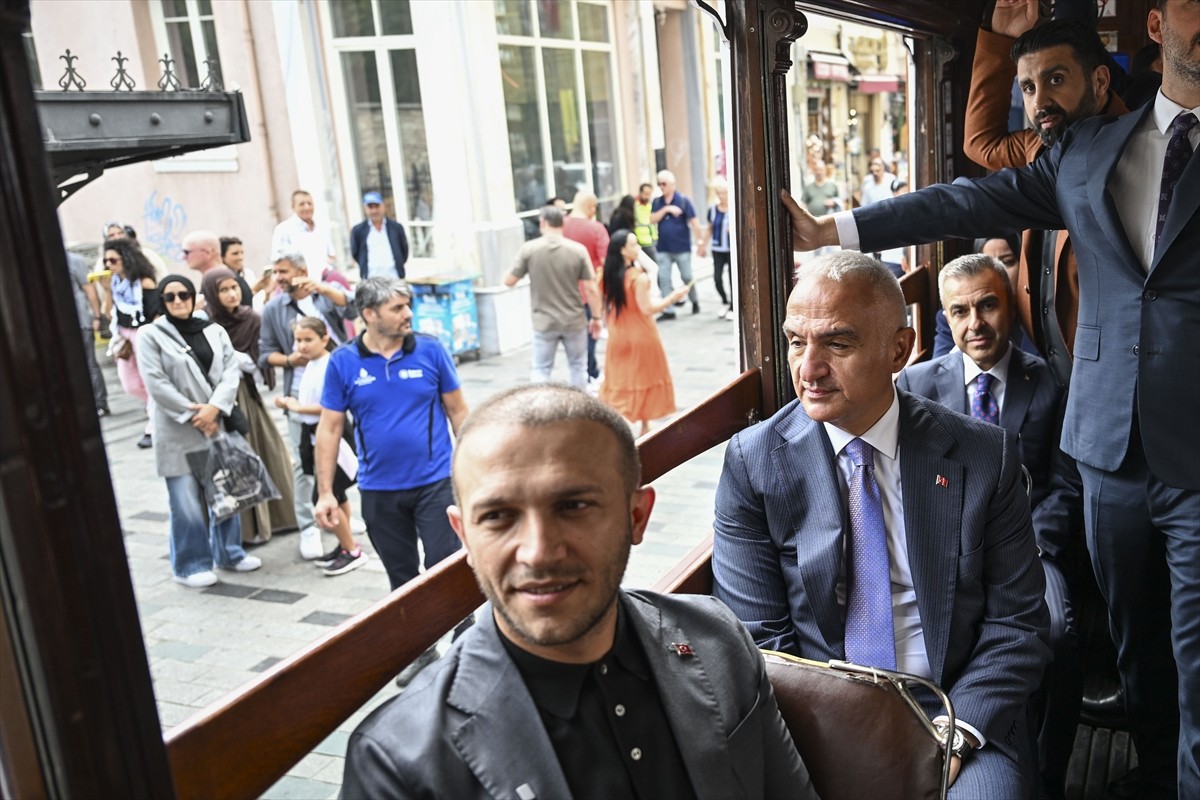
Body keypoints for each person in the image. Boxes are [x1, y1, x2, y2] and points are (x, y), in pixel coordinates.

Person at [781, 5, 1199, 794]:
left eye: (1055, 81)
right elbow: (963, 203)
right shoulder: (1084, 152)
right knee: (1135, 645)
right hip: (1106, 449)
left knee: (1198, 656)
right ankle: (1151, 769)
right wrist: (833, 230)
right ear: (1156, 22)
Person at [340, 384, 816, 800]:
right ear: (464, 537)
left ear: (636, 516)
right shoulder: (400, 758)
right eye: (498, 517)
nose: (539, 552)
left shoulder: (715, 640)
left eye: (573, 506)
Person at [712, 253, 1050, 798]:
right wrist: (845, 738)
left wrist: (953, 734)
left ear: (899, 349)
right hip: (816, 718)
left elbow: (1017, 624)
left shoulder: (984, 456)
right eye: (797, 341)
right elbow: (756, 639)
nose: (808, 369)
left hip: (955, 709)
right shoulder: (756, 462)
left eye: (837, 344)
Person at [897, 254, 1084, 798]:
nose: (974, 323)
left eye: (987, 305)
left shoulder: (1048, 381)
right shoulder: (914, 385)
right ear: (945, 319)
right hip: (938, 553)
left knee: (1057, 631)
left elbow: (1063, 486)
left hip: (1029, 547)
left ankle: (1050, 771)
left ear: (1009, 307)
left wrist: (1033, 547)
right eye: (959, 311)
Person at [964, 7, 1129, 387]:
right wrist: (999, 37)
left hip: (1109, 376)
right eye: (1029, 88)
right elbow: (980, 143)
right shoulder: (1037, 145)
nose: (1040, 102)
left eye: (1056, 79)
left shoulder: (1137, 149)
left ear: (1100, 81)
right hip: (1047, 369)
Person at [315, 276, 469, 683]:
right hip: (379, 490)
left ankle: (468, 646)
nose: (407, 315)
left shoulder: (431, 351)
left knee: (446, 566)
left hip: (436, 482)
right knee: (401, 577)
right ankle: (419, 648)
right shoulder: (344, 362)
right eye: (397, 308)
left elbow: (459, 413)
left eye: (407, 306)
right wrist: (327, 492)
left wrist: (473, 471)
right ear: (369, 314)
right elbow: (329, 428)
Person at [135, 275, 262, 588]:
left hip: (215, 423)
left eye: (184, 295)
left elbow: (231, 371)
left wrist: (215, 408)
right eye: (170, 297)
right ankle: (190, 564)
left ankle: (229, 552)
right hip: (179, 429)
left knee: (226, 490)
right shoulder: (151, 335)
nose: (178, 301)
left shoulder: (213, 329)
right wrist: (195, 413)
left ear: (193, 297)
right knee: (185, 501)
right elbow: (156, 381)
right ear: (161, 302)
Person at [257, 251, 356, 561]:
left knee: (342, 463)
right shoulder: (274, 308)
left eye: (283, 271)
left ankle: (342, 523)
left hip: (334, 384)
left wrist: (324, 288)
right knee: (304, 464)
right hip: (300, 389)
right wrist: (290, 359)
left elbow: (353, 307)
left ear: (301, 270)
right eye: (275, 273)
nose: (279, 278)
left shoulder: (324, 297)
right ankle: (310, 526)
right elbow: (265, 353)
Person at [200, 267, 297, 545]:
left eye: (235, 287)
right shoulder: (203, 321)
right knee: (223, 459)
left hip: (244, 394)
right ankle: (235, 530)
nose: (232, 294)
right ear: (211, 294)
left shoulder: (251, 318)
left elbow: (260, 362)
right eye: (223, 290)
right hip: (211, 396)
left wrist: (237, 359)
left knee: (258, 449)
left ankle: (275, 518)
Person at [275, 317, 367, 576]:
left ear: (324, 339)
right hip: (314, 435)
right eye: (298, 340)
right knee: (337, 493)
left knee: (325, 495)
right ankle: (346, 543)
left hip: (334, 438)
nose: (302, 346)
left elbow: (331, 406)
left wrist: (296, 406)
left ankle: (352, 550)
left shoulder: (329, 365)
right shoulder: (312, 365)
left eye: (308, 340)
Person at [599, 230, 689, 436]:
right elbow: (647, 309)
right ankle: (645, 425)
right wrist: (673, 297)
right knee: (644, 378)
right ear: (622, 250)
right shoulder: (637, 278)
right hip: (641, 334)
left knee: (619, 377)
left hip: (617, 334)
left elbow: (603, 306)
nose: (637, 248)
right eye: (633, 245)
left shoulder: (605, 275)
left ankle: (617, 421)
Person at [502, 206, 603, 390]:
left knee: (542, 369)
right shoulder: (577, 250)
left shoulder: (529, 249)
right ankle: (578, 410)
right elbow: (591, 288)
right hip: (574, 319)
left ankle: (543, 412)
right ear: (562, 223)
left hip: (544, 321)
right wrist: (596, 317)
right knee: (578, 367)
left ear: (543, 222)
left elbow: (509, 281)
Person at [105, 238, 161, 449]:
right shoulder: (115, 283)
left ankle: (153, 426)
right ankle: (159, 409)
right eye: (106, 261)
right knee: (130, 383)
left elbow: (155, 312)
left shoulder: (144, 281)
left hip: (143, 333)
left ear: (126, 259)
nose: (109, 265)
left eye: (113, 260)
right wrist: (106, 291)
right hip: (124, 334)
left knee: (150, 379)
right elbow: (107, 313)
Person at [562, 191, 610, 385]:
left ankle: (589, 372)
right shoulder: (596, 229)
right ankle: (590, 373)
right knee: (591, 334)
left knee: (572, 339)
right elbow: (606, 263)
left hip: (563, 292)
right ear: (592, 207)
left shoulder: (559, 226)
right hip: (588, 292)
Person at [650, 170, 706, 318]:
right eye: (659, 184)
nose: (661, 187)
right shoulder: (657, 202)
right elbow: (652, 219)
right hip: (663, 248)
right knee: (664, 278)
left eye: (664, 184)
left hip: (682, 247)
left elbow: (694, 222)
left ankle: (694, 301)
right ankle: (668, 310)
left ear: (672, 184)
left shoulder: (683, 200)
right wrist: (667, 209)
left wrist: (700, 242)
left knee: (687, 276)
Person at [68, 250, 109, 415]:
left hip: (81, 321)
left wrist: (97, 316)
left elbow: (89, 290)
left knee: (90, 363)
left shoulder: (73, 260)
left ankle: (100, 403)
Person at [349, 191, 409, 281]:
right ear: (365, 209)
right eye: (370, 207)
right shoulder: (358, 230)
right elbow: (356, 253)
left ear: (383, 207)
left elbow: (404, 251)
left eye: (377, 206)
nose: (374, 211)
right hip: (371, 278)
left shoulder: (396, 228)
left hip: (394, 277)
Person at [705, 177, 734, 320]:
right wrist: (701, 245)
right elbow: (709, 228)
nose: (721, 196)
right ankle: (725, 301)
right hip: (717, 249)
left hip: (731, 250)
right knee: (717, 278)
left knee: (732, 279)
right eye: (718, 193)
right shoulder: (712, 210)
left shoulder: (734, 209)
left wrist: (733, 229)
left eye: (723, 192)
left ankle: (733, 307)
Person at [219, 236, 270, 308]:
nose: (240, 257)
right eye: (235, 253)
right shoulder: (219, 278)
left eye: (242, 253)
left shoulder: (248, 273)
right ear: (222, 257)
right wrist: (253, 290)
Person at [632, 181, 659, 260]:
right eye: (646, 193)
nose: (648, 196)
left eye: (649, 194)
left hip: (653, 239)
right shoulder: (635, 206)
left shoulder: (649, 205)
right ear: (640, 193)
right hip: (642, 241)